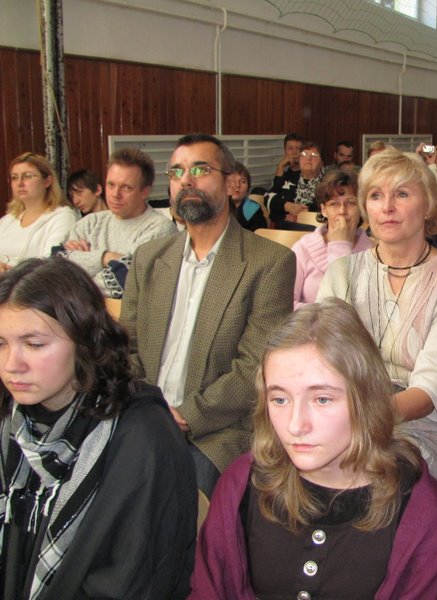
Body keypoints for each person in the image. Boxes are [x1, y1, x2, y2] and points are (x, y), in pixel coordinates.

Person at [191, 298, 437, 599]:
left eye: (322, 399)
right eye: (280, 399)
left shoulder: (421, 511)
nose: (295, 425)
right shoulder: (241, 484)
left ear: (366, 398)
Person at [0, 257, 196, 598]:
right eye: (0, 343)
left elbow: (134, 581)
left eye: (34, 344)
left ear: (85, 342)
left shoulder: (144, 439)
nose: (11, 365)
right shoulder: (12, 417)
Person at [121, 133, 295, 496]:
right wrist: (144, 410)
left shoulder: (269, 262)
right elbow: (127, 349)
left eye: (200, 170)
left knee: (176, 493)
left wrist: (185, 417)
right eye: (176, 172)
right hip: (144, 417)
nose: (186, 180)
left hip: (217, 429)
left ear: (231, 183)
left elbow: (254, 367)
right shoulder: (149, 258)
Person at [318, 148, 437, 486]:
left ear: (428, 206)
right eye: (376, 195)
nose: (387, 207)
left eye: (402, 194)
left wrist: (357, 418)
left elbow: (430, 390)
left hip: (417, 426)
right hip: (342, 413)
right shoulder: (341, 272)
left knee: (367, 476)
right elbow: (322, 363)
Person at [58, 148, 176, 297]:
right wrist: (104, 258)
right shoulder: (90, 223)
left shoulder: (160, 229)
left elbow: (127, 280)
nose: (115, 194)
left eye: (126, 188)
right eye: (111, 185)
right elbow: (55, 263)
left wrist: (79, 263)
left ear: (145, 191)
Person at [292, 169, 371, 308]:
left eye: (351, 203)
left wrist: (341, 246)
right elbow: (286, 304)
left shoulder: (374, 252)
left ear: (361, 209)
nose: (342, 211)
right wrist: (321, 314)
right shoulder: (303, 248)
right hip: (308, 322)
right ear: (323, 210)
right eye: (334, 204)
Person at [0, 153, 78, 271]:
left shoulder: (63, 216)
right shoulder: (7, 220)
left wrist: (7, 269)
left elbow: (51, 263)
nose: (19, 183)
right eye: (14, 177)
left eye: (28, 176)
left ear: (47, 181)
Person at [267, 141, 324, 230]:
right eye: (304, 154)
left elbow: (329, 205)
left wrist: (302, 213)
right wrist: (286, 206)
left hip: (314, 229)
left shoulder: (327, 183)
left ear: (321, 163)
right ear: (299, 159)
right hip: (284, 228)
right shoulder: (289, 177)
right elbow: (268, 197)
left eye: (314, 155)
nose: (308, 158)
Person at [232, 162, 268, 232]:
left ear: (248, 189)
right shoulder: (216, 208)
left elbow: (259, 235)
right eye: (233, 181)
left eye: (243, 181)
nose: (237, 185)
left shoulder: (254, 211)